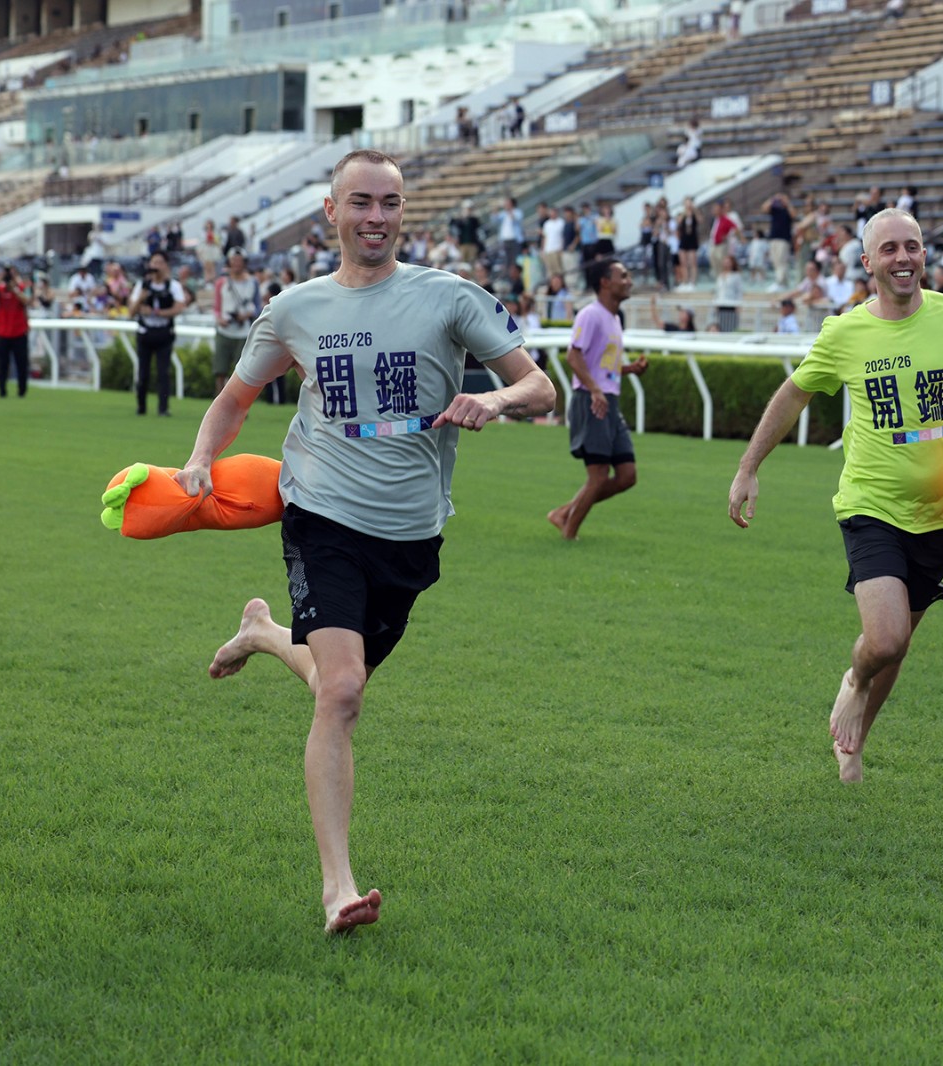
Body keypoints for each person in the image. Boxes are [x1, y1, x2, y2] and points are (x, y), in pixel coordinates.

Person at [172, 149, 554, 934]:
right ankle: (338, 888)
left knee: (334, 683)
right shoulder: (294, 309)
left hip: (411, 531)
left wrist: (495, 400)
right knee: (343, 691)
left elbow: (540, 385)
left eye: (390, 203)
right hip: (319, 513)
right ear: (331, 211)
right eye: (361, 202)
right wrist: (201, 457)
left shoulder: (449, 298)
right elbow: (235, 399)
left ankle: (263, 633)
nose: (376, 217)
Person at [728, 209, 943, 784]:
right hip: (870, 506)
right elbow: (794, 394)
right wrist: (749, 467)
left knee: (897, 645)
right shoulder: (844, 333)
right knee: (887, 637)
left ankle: (856, 742)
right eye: (890, 248)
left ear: (924, 255)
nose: (904, 258)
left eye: (913, 246)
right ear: (867, 262)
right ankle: (853, 681)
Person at [548, 258, 648, 540]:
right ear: (605, 282)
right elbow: (573, 356)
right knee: (599, 474)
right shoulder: (590, 315)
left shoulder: (614, 318)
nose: (629, 281)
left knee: (627, 475)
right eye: (623, 276)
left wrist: (629, 369)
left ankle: (563, 513)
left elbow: (600, 366)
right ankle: (569, 534)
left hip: (608, 401)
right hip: (592, 401)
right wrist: (594, 390)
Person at [127, 251, 188, 416]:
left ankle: (163, 408)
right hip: (145, 332)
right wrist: (141, 298)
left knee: (163, 372)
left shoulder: (173, 286)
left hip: (164, 333)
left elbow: (179, 307)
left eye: (160, 263)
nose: (156, 267)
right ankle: (141, 406)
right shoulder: (142, 286)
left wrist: (157, 312)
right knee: (143, 373)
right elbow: (131, 311)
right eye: (154, 263)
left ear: (166, 266)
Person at [212, 251, 261, 396]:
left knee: (241, 371)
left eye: (239, 261)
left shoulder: (252, 282)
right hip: (225, 329)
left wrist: (247, 315)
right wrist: (219, 319)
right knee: (220, 370)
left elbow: (258, 307)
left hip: (243, 331)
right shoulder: (222, 282)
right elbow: (216, 307)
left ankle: (239, 401)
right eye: (233, 260)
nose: (236, 264)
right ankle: (219, 400)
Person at [0, 265, 33, 398]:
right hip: (2, 331)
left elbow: (27, 301)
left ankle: (22, 390)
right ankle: (2, 390)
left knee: (22, 363)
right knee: (2, 364)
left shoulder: (21, 288)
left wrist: (15, 288)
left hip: (19, 331)